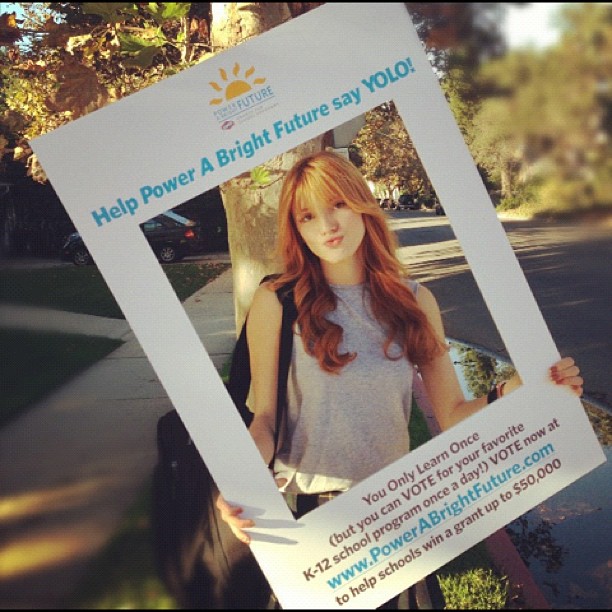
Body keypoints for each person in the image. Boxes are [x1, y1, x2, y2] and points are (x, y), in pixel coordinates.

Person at [216, 150, 583, 605]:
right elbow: (266, 419)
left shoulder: (414, 301)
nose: (327, 225)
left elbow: (452, 414)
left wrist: (518, 388)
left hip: (396, 513)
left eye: (337, 204)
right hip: (310, 517)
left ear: (362, 204)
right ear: (297, 229)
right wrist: (241, 481)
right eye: (308, 216)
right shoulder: (278, 300)